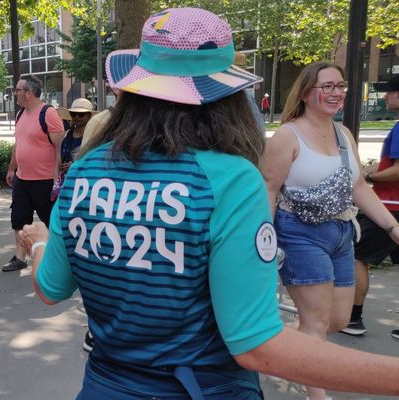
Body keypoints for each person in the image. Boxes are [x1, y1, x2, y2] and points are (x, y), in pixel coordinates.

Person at [20, 8, 399, 400]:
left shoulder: (84, 172)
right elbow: (255, 344)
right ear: (226, 95)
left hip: (104, 387)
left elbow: (50, 289)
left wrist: (40, 242)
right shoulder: (231, 180)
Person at [261, 61, 399, 400]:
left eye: (340, 86)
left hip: (341, 233)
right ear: (307, 92)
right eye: (327, 86)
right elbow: (269, 190)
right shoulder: (287, 135)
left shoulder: (344, 133)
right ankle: (316, 393)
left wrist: (392, 225)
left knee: (337, 319)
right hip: (299, 233)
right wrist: (262, 241)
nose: (336, 93)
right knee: (316, 320)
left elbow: (358, 188)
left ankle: (280, 348)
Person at [341, 74, 399, 340]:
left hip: (390, 206)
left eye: (391, 92)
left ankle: (353, 318)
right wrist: (366, 171)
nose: (386, 97)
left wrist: (368, 178)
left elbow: (396, 172)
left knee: (356, 255)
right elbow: (389, 165)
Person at [2, 75, 64, 272]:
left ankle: (57, 259)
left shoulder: (49, 113)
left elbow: (59, 149)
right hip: (22, 178)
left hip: (45, 180)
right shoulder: (21, 114)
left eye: (18, 90)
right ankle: (20, 258)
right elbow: (18, 145)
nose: (15, 93)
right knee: (19, 219)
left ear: (28, 93)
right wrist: (12, 168)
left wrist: (56, 180)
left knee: (50, 221)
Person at [53, 98, 97, 200]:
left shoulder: (95, 137)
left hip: (86, 186)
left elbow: (95, 162)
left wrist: (74, 166)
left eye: (81, 114)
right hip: (65, 185)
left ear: (89, 115)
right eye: (73, 113)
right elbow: (57, 164)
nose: (77, 117)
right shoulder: (64, 135)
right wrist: (55, 185)